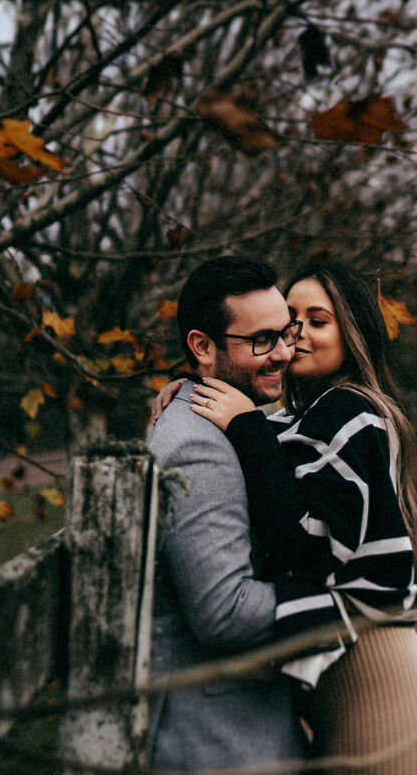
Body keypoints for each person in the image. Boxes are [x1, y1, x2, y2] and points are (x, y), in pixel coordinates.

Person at [184, 261, 417, 775]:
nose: (297, 336)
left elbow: (306, 546)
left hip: (383, 694)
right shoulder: (305, 418)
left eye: (319, 320)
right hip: (357, 687)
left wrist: (244, 428)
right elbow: (264, 445)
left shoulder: (348, 413)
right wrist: (184, 394)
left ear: (352, 333)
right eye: (290, 321)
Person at [147, 256, 347, 773]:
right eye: (261, 340)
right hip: (223, 741)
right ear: (202, 347)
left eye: (286, 333)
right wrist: (341, 601)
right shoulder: (200, 446)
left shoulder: (221, 420)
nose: (284, 352)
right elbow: (225, 611)